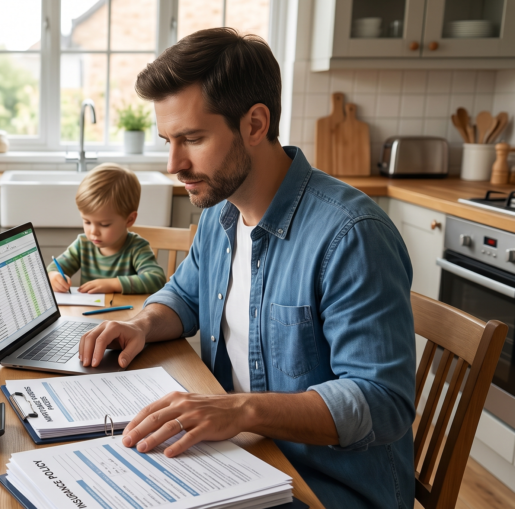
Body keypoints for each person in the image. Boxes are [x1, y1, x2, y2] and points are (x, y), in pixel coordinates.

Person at [78, 28, 416, 509]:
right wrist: (139, 324)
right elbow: (186, 296)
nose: (174, 163)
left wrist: (239, 410)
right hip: (240, 458)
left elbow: (382, 401)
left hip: (325, 486)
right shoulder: (221, 212)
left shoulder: (352, 235)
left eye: (192, 138)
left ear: (255, 124)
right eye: (168, 140)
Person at [47, 163, 166, 295]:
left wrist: (113, 284)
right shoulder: (83, 244)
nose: (93, 232)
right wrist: (54, 276)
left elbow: (157, 279)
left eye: (104, 225)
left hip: (126, 313)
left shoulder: (136, 248)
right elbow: (53, 268)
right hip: (87, 314)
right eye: (87, 222)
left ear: (129, 220)